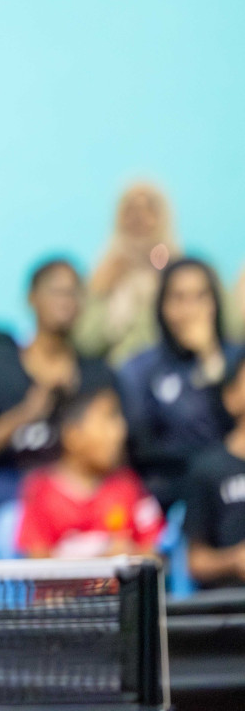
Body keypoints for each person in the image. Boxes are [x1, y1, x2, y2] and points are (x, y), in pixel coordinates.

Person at [0, 260, 117, 522]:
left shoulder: (97, 374)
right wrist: (26, 413)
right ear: (31, 298)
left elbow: (119, 451)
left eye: (74, 292)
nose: (66, 301)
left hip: (83, 495)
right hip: (13, 492)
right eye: (56, 291)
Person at [116, 258, 239, 508]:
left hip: (231, 493)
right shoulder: (139, 369)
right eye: (178, 298)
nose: (190, 310)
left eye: (201, 297)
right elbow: (140, 446)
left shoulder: (236, 360)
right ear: (161, 305)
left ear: (215, 302)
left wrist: (210, 360)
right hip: (167, 494)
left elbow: (236, 432)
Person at [17, 388, 163, 558]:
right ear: (73, 436)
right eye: (106, 421)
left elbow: (152, 555)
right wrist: (101, 562)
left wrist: (132, 556)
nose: (119, 433)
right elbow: (38, 563)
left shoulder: (129, 486)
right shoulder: (40, 491)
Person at [74, 182, 178, 365]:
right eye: (130, 211)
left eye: (149, 210)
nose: (139, 218)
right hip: (115, 377)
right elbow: (85, 342)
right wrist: (104, 291)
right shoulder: (103, 272)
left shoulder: (179, 273)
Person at [183, 352, 245, 588]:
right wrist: (234, 561)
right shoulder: (208, 469)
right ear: (231, 397)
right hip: (230, 610)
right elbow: (195, 561)